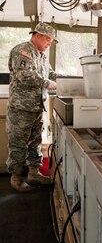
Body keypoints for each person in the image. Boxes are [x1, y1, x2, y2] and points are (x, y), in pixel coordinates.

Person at [6, 22, 58, 192]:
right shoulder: (22, 51)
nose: (50, 43)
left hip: (37, 107)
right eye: (48, 39)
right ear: (38, 35)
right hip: (21, 108)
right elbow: (25, 75)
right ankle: (16, 178)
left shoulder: (41, 56)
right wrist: (46, 82)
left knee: (35, 143)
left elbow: (50, 74)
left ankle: (34, 173)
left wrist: (66, 79)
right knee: (18, 144)